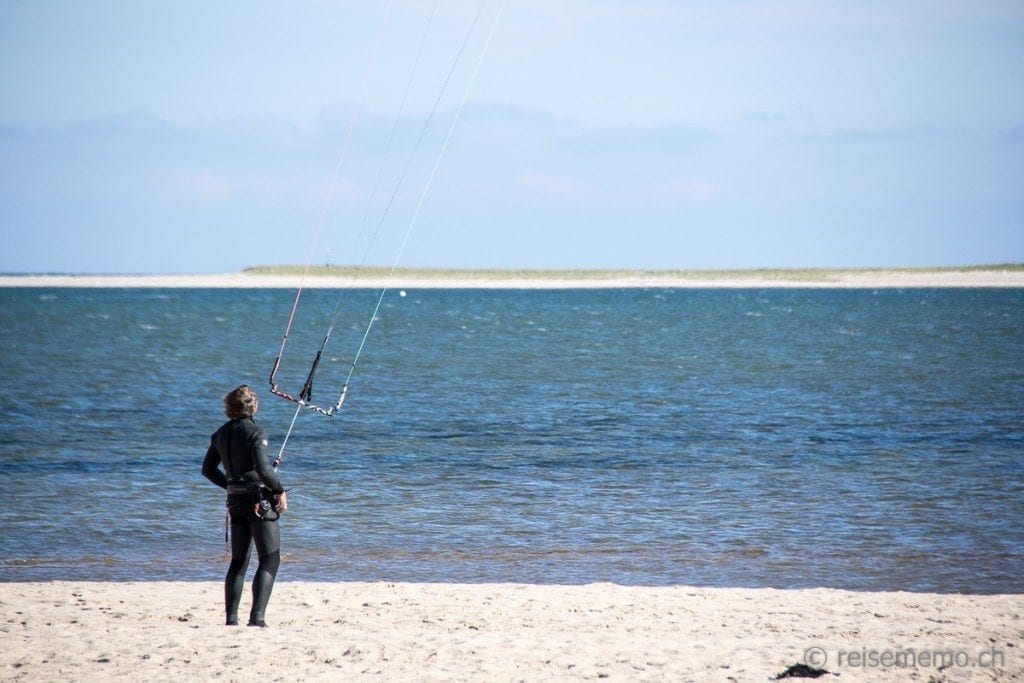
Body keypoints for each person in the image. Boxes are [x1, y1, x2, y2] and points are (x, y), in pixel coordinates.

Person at [202, 385, 288, 627]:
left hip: (236, 502)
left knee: (239, 561)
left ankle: (231, 619)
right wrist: (279, 490)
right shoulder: (256, 433)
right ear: (254, 407)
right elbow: (263, 470)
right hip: (258, 502)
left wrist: (231, 486)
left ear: (228, 408)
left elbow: (207, 470)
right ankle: (257, 618)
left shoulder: (219, 434)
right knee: (270, 559)